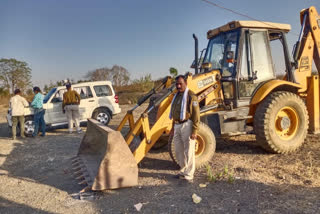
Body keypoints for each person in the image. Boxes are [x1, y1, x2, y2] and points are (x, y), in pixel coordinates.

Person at [169, 75, 200, 182]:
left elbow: (196, 114)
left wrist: (194, 131)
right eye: (177, 84)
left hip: (187, 125)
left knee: (189, 150)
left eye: (180, 84)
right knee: (178, 150)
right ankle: (183, 170)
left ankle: (189, 174)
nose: (178, 86)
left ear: (185, 83)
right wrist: (173, 127)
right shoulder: (176, 96)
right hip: (177, 125)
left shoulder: (191, 96)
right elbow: (174, 112)